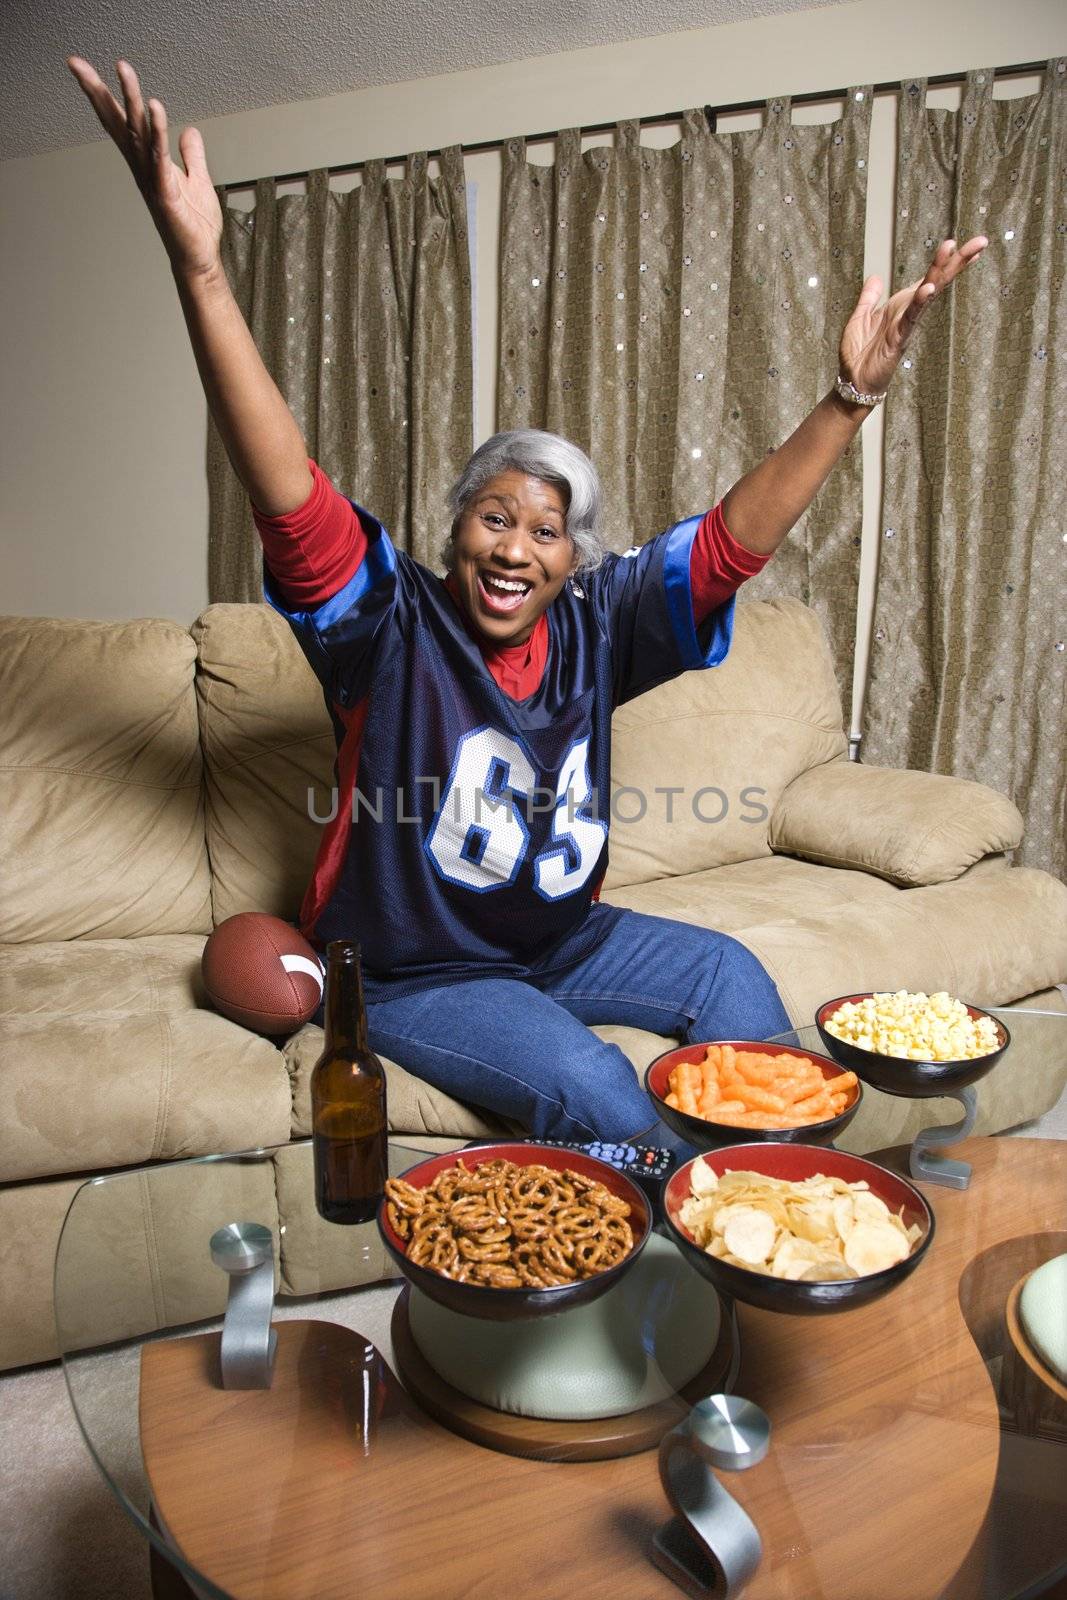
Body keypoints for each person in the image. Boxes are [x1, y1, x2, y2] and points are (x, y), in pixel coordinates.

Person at [68, 56, 987, 1143]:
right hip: (420, 970)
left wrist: (848, 399)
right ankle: (700, 1229)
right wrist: (205, 276)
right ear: (455, 529)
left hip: (568, 935)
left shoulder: (600, 623)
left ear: (572, 557)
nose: (514, 548)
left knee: (730, 978)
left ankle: (781, 1203)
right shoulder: (389, 624)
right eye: (492, 517)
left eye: (545, 530)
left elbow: (733, 542)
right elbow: (285, 491)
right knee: (596, 1088)